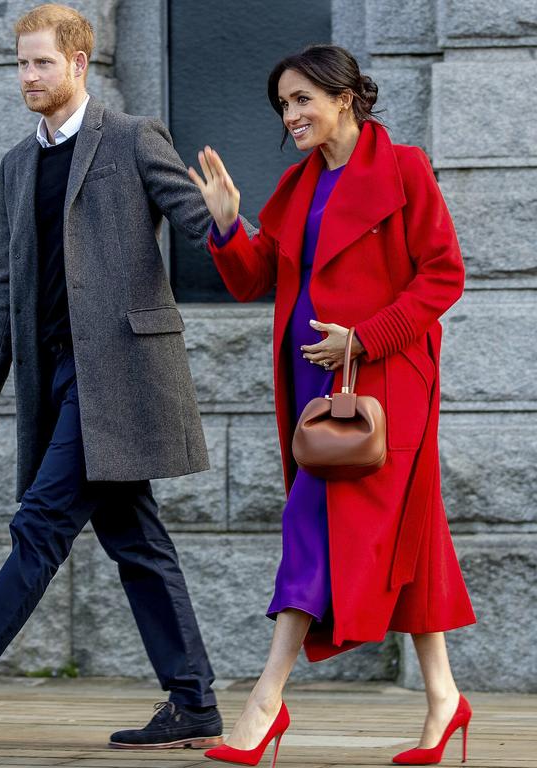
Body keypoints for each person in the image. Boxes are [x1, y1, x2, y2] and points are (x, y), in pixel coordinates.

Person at [0, 2, 230, 751]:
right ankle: (194, 702)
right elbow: (7, 276)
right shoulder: (17, 163)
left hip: (123, 378)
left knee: (40, 524)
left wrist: (227, 219)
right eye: (21, 63)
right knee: (136, 540)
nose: (28, 75)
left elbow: (199, 228)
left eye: (41, 62)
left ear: (79, 62)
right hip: (58, 376)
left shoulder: (132, 139)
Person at [187, 45, 476, 766]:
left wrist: (367, 339)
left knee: (311, 523)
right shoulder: (297, 184)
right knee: (408, 533)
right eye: (283, 106)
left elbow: (443, 274)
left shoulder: (404, 168)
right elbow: (255, 280)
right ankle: (444, 698)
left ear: (344, 96)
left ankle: (264, 703)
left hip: (383, 384)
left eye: (302, 100)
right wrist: (227, 224)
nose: (291, 116)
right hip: (316, 387)